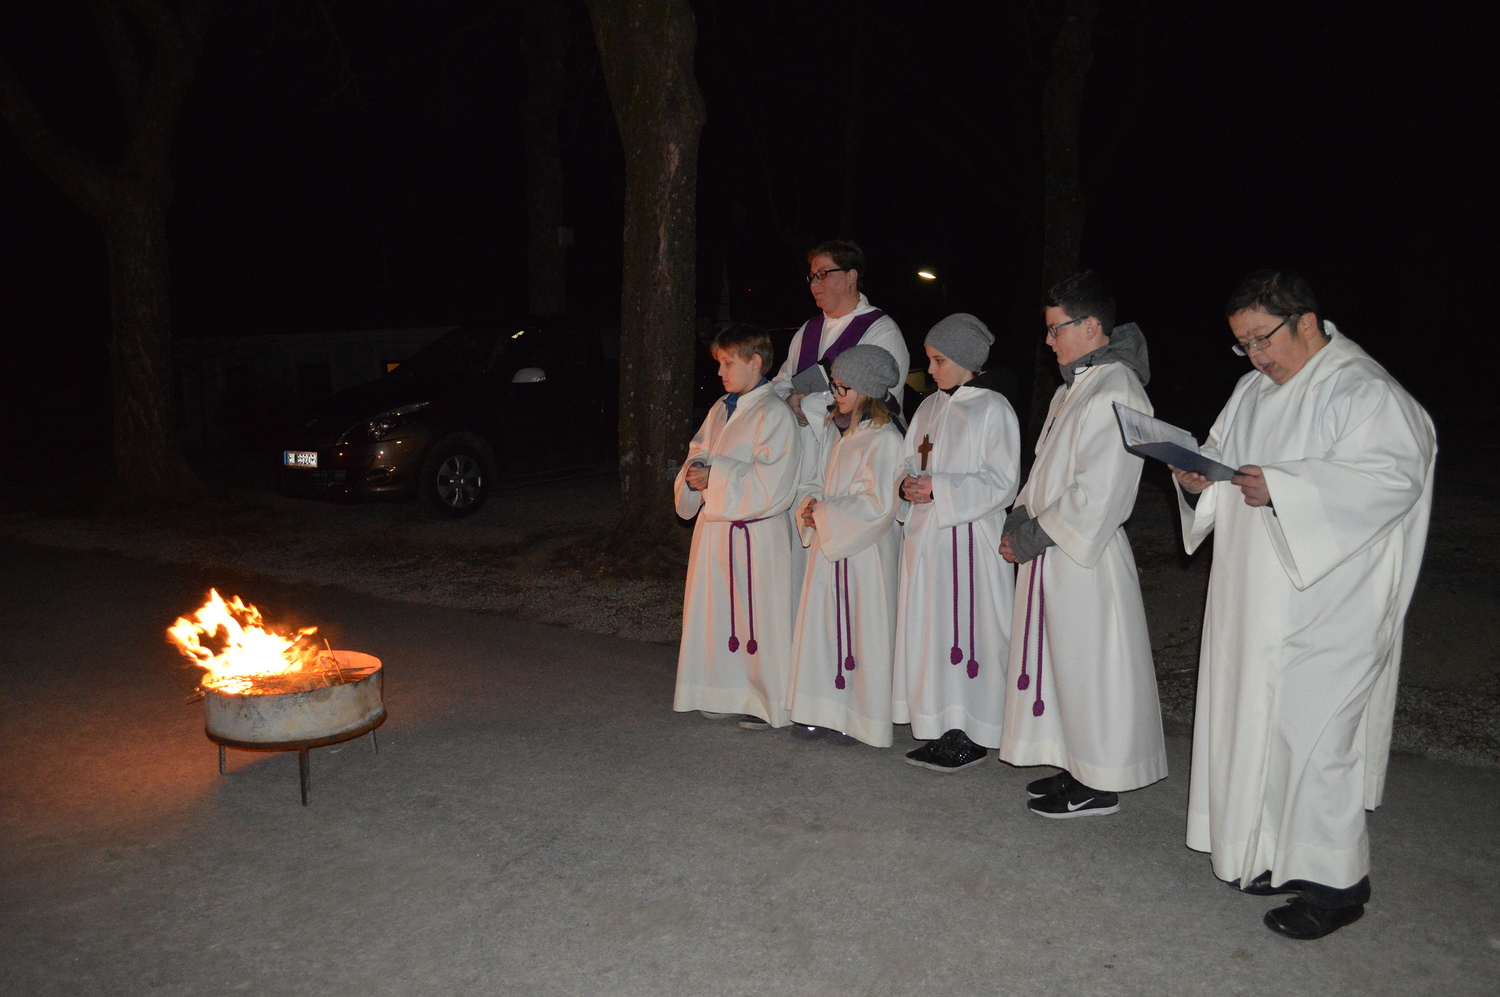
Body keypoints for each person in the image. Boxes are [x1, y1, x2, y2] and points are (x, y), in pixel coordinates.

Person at [1172, 270, 1436, 940]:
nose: (1255, 356)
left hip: (1330, 604)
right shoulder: (1252, 390)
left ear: (1307, 321)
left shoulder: (1365, 390)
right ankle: (1266, 852)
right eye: (1243, 344)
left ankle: (1337, 885)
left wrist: (1285, 489)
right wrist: (1199, 477)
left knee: (1316, 741)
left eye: (1263, 338)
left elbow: (1393, 479)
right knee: (1260, 727)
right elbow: (1223, 456)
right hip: (1252, 598)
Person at [998, 271, 1167, 818]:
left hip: (1083, 556)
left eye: (1057, 329)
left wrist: (1031, 536)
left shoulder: (1117, 388)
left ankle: (1100, 780)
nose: (1049, 341)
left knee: (1091, 667)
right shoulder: (1075, 386)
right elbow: (1045, 468)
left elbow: (1102, 489)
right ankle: (1075, 763)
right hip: (1053, 551)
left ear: (1092, 326)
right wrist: (1017, 517)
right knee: (1062, 663)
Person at [893, 314, 1020, 771]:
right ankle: (939, 720)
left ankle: (974, 729)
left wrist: (940, 488)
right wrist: (905, 486)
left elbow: (1003, 481)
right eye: (929, 359)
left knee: (972, 632)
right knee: (931, 630)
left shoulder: (993, 409)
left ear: (967, 360)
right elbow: (907, 461)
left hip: (971, 545)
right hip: (927, 541)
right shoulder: (928, 408)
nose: (930, 370)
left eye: (939, 360)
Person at [674, 323, 803, 730]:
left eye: (728, 363)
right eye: (719, 363)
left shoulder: (774, 414)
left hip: (756, 534)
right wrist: (695, 471)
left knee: (759, 617)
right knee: (717, 614)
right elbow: (699, 449)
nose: (720, 372)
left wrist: (716, 474)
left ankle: (765, 699)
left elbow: (774, 480)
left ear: (755, 362)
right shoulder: (720, 408)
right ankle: (721, 690)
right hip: (716, 531)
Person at [787, 345, 906, 748]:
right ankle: (818, 708)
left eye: (844, 388)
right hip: (830, 547)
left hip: (865, 554)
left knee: (860, 630)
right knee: (823, 628)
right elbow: (817, 482)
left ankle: (856, 715)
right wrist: (810, 508)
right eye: (834, 385)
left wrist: (826, 513)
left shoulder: (885, 439)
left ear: (868, 390)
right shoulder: (839, 435)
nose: (836, 394)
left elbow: (878, 505)